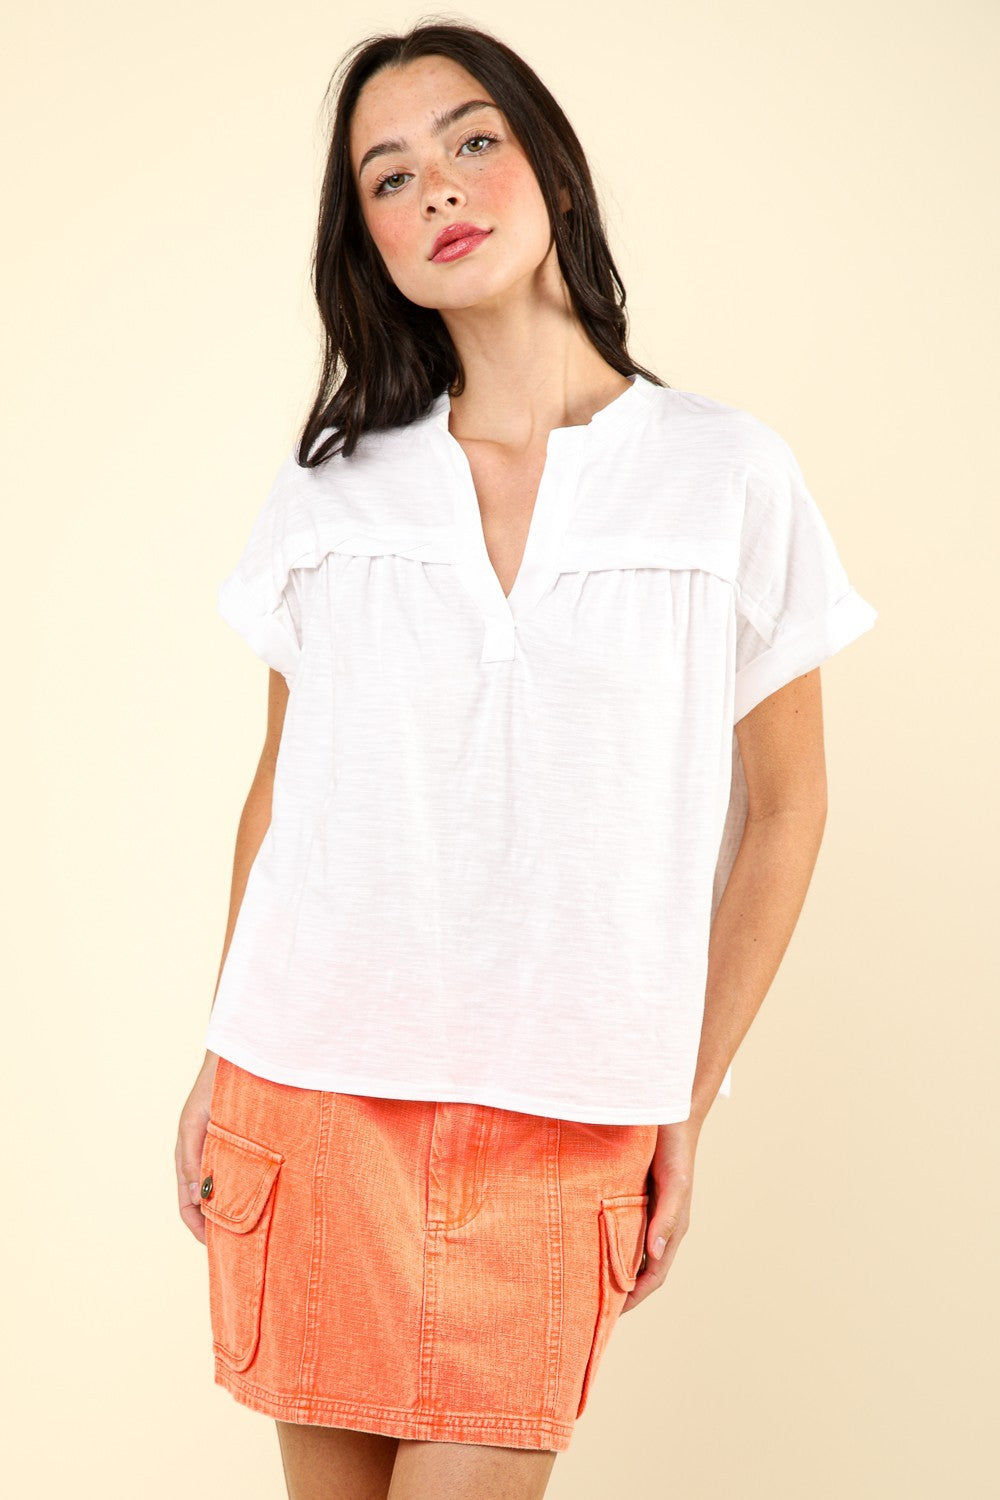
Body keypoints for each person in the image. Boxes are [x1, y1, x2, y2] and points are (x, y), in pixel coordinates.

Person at [175, 20, 878, 1500]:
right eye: (390, 175)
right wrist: (215, 1051)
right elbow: (282, 793)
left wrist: (687, 1097)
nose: (439, 187)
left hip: (569, 1117)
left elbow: (788, 810)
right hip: (311, 1095)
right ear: (364, 239)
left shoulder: (724, 474)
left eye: (472, 140)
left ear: (549, 163)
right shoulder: (333, 495)